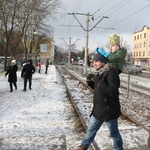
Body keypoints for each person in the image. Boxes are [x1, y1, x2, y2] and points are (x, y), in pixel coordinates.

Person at [78, 52, 123, 150]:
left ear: (103, 62)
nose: (94, 64)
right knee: (91, 130)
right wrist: (90, 83)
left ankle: (119, 148)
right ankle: (83, 146)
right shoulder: (99, 72)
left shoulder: (111, 72)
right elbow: (99, 90)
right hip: (98, 110)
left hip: (109, 111)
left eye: (97, 61)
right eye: (93, 61)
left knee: (114, 134)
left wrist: (98, 81)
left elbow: (113, 91)